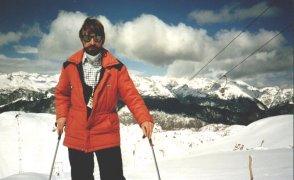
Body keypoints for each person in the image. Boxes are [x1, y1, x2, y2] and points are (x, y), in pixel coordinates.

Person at [55, 17, 154, 180]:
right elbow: (62, 94)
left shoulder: (117, 68)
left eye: (97, 37)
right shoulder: (69, 66)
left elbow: (131, 95)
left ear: (103, 39)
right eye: (87, 37)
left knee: (113, 176)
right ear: (81, 39)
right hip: (77, 131)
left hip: (106, 130)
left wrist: (144, 118)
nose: (92, 42)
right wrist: (62, 115)